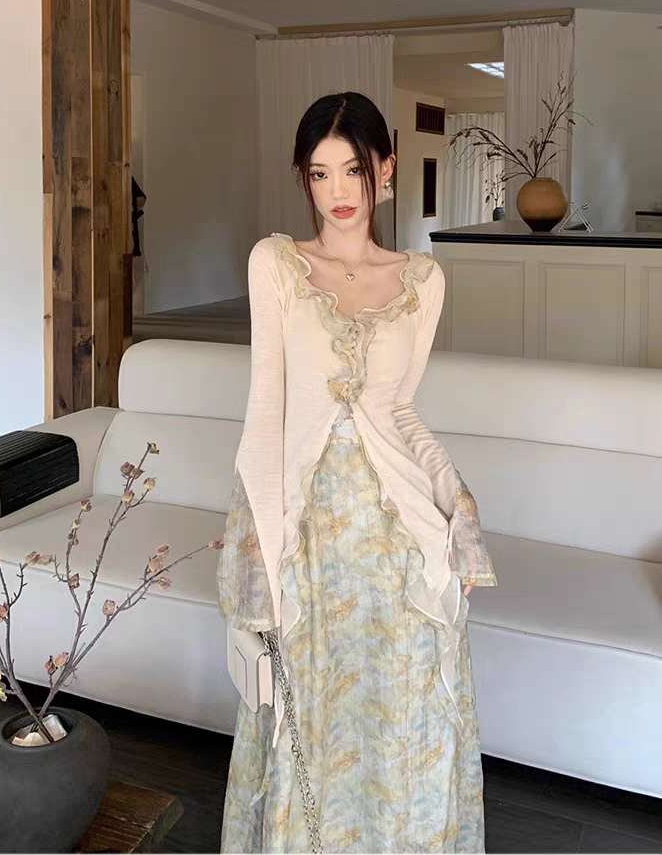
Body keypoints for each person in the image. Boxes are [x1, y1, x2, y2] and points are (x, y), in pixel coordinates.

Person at [217, 91, 497, 854]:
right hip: (309, 546)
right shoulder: (277, 264)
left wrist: (456, 503)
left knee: (405, 722)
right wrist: (258, 563)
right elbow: (264, 418)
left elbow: (399, 411)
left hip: (400, 545)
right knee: (311, 729)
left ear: (386, 169)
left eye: (353, 169)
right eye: (319, 173)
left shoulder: (423, 280)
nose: (338, 191)